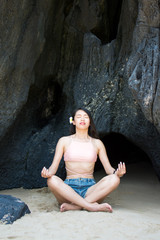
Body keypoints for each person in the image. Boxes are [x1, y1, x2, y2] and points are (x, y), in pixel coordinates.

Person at [41, 108, 126, 212]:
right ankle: (90, 206)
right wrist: (47, 173)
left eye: (86, 117)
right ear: (73, 121)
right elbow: (53, 169)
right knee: (52, 180)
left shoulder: (97, 143)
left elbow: (109, 170)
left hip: (90, 189)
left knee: (115, 179)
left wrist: (118, 173)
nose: (82, 119)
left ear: (90, 122)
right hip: (68, 188)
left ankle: (76, 206)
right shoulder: (64, 141)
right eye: (79, 116)